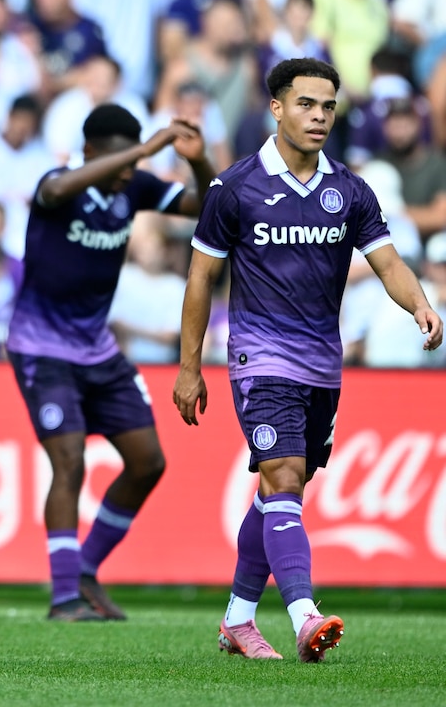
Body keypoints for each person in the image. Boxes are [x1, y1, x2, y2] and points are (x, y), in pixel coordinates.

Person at [173, 57, 443, 662]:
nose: (318, 116)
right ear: (277, 107)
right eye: (305, 104)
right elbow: (200, 279)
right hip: (258, 357)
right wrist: (189, 365)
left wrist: (419, 305)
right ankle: (304, 614)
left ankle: (237, 622)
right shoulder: (234, 188)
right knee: (285, 476)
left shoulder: (348, 189)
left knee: (276, 494)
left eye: (327, 106)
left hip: (323, 364)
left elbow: (388, 262)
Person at [6, 104, 214, 621]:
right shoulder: (60, 183)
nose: (129, 170)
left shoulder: (135, 187)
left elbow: (208, 205)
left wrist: (199, 160)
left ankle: (85, 568)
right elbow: (53, 192)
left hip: (97, 348)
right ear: (91, 150)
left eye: (134, 157)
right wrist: (143, 152)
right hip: (42, 347)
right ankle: (63, 597)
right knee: (69, 460)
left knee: (149, 462)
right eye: (120, 157)